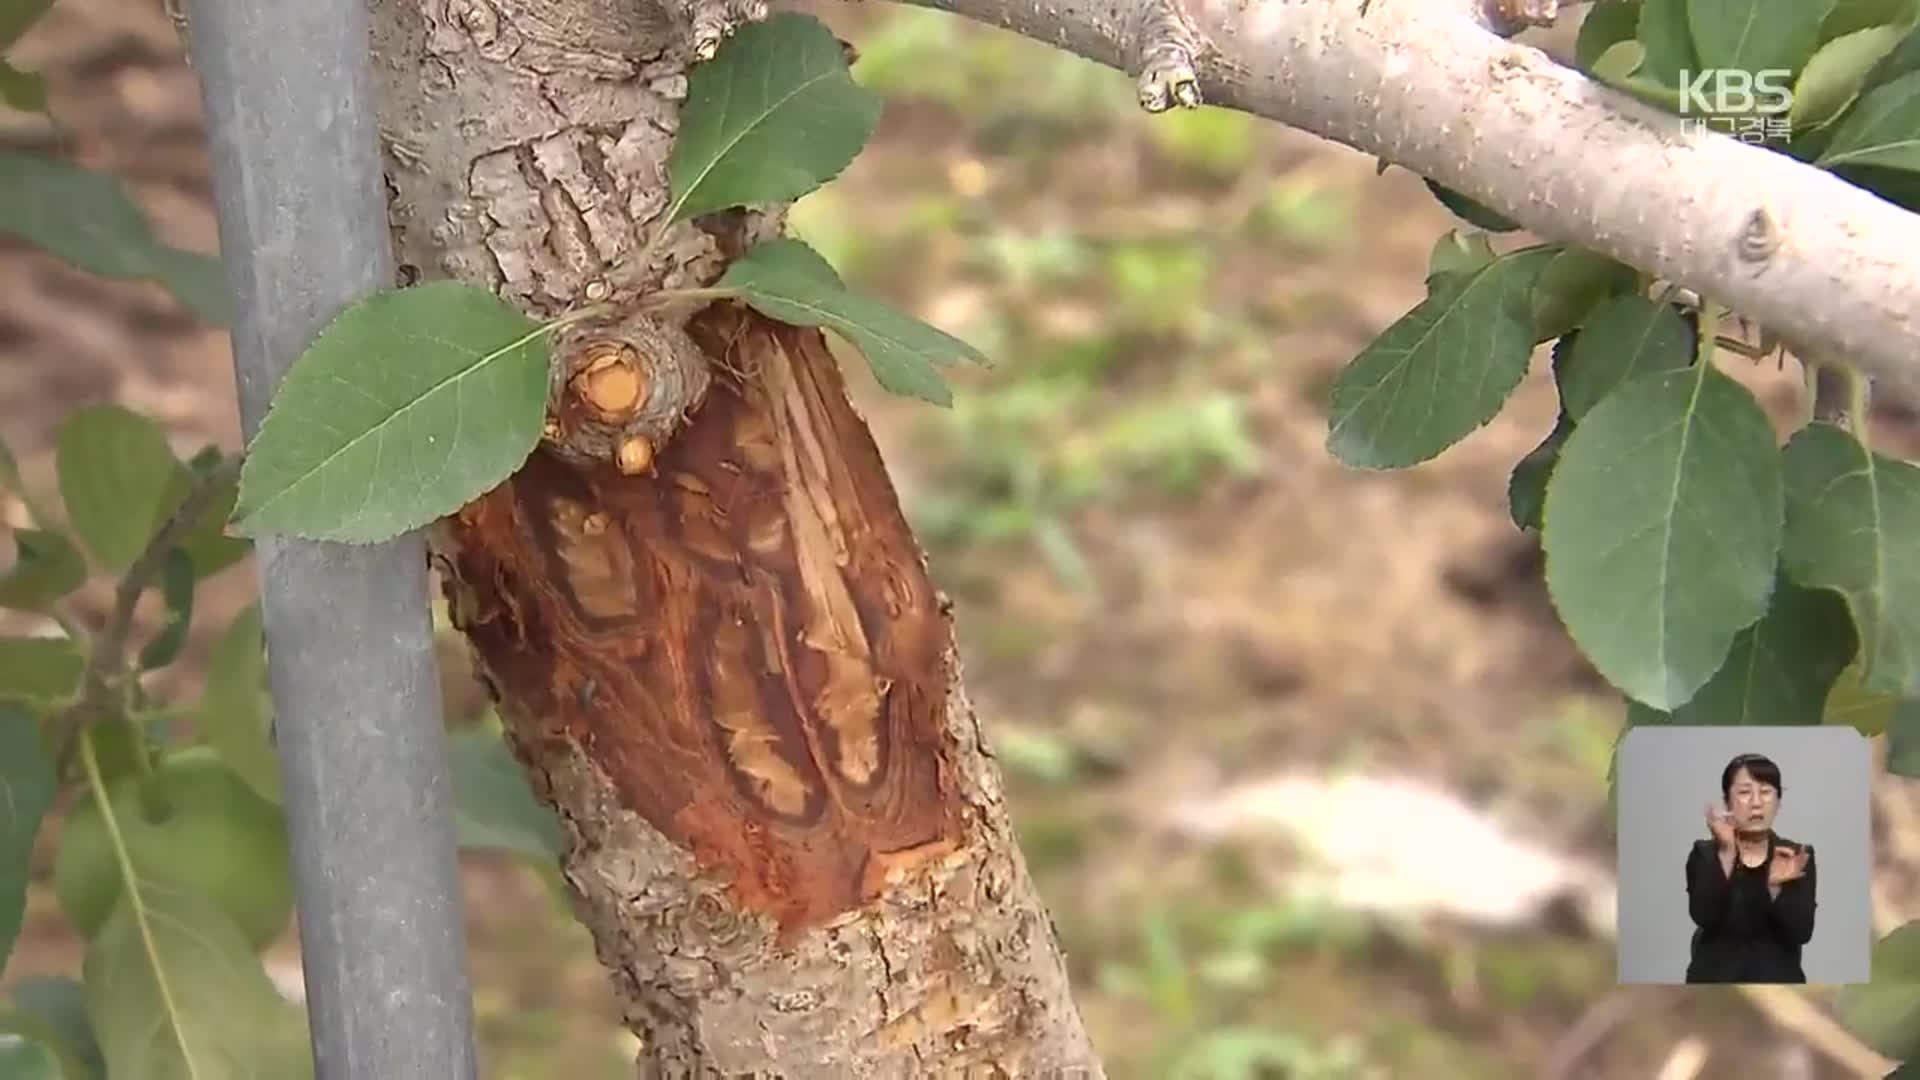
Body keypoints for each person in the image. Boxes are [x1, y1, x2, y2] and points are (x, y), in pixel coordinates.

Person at [1684, 752, 1816, 983]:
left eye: (1766, 792)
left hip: (1779, 985)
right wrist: (1727, 852)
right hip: (1714, 983)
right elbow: (1704, 916)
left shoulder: (1796, 855)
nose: (1756, 802)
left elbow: (1801, 932)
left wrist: (1774, 887)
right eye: (1745, 792)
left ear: (1778, 802)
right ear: (1728, 802)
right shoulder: (1705, 853)